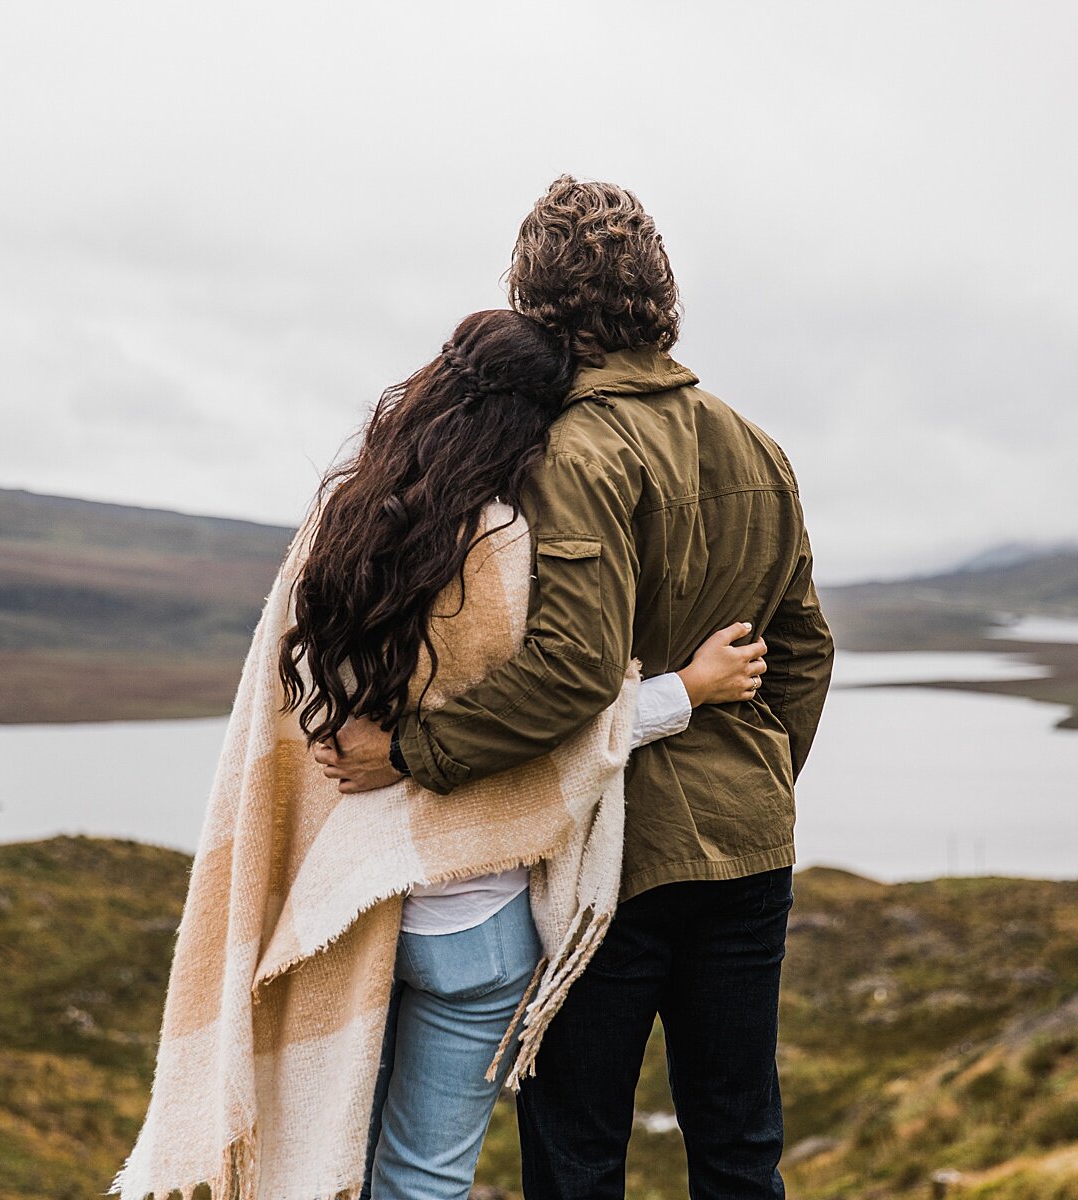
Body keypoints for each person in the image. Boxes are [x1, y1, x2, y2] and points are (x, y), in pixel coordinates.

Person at [321, 176, 836, 1200]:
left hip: (615, 860)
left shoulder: (573, 452)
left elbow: (571, 672)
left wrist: (413, 754)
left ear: (536, 303)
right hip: (750, 850)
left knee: (577, 1154)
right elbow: (808, 648)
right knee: (741, 1150)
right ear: (661, 294)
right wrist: (757, 776)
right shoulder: (759, 445)